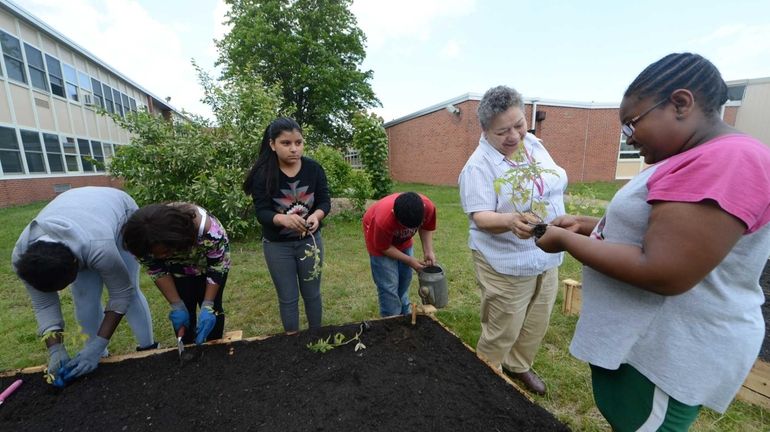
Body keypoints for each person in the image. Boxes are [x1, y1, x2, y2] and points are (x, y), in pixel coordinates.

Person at [535, 53, 770, 430]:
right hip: (649, 345)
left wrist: (565, 241)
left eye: (632, 123)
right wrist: (588, 226)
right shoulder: (697, 155)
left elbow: (664, 270)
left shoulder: (728, 160)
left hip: (668, 351)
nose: (629, 138)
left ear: (680, 103)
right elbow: (670, 232)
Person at [458, 85, 567, 395]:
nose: (515, 136)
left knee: (537, 317)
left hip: (545, 253)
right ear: (485, 131)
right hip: (505, 261)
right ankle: (489, 374)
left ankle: (518, 365)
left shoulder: (534, 144)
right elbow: (479, 216)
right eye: (502, 131)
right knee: (502, 325)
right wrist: (508, 220)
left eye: (519, 125)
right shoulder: (478, 166)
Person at [12, 186, 157, 383]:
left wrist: (97, 344)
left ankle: (148, 349)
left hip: (119, 211)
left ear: (75, 263)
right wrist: (56, 349)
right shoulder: (23, 257)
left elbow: (121, 293)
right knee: (84, 298)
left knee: (130, 289)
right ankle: (100, 356)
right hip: (78, 214)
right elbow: (44, 305)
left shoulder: (99, 246)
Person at [242, 117, 331, 334]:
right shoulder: (263, 174)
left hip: (310, 243)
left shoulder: (314, 169)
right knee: (288, 297)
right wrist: (282, 219)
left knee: (312, 293)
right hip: (277, 246)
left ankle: (316, 335)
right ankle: (292, 341)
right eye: (286, 143)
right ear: (272, 144)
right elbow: (262, 212)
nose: (294, 149)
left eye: (298, 143)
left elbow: (324, 201)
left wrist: (317, 217)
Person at [122, 202, 230, 345]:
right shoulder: (139, 239)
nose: (161, 257)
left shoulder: (208, 231)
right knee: (185, 307)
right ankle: (186, 346)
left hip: (208, 264)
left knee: (212, 308)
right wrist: (177, 305)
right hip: (177, 270)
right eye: (156, 254)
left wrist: (208, 304)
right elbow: (156, 269)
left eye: (165, 252)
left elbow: (217, 266)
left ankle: (214, 345)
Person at [363, 191, 437, 317]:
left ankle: (404, 314)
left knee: (405, 278)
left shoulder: (427, 207)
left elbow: (427, 227)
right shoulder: (382, 220)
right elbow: (384, 247)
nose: (410, 230)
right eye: (405, 226)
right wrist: (410, 261)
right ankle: (391, 319)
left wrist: (428, 251)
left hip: (403, 240)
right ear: (394, 214)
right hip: (379, 242)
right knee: (389, 286)